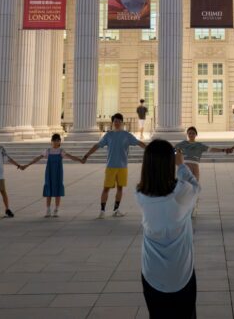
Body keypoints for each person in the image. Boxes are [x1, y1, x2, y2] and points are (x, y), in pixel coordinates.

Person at [135, 139, 200, 318]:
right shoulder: (181, 194)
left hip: (151, 272)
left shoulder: (140, 194)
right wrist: (181, 165)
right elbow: (195, 186)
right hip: (181, 272)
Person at [82, 112, 146, 218]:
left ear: (122, 123)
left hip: (122, 166)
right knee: (106, 188)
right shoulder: (108, 135)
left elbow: (139, 143)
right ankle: (102, 211)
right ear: (112, 123)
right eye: (115, 121)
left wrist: (150, 150)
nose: (117, 123)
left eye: (119, 121)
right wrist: (87, 155)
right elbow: (97, 145)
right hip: (111, 165)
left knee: (120, 188)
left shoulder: (127, 135)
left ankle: (116, 210)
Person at [20, 133, 84, 217]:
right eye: (54, 140)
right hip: (49, 173)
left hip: (58, 173)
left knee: (57, 190)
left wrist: (80, 160)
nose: (55, 142)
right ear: (51, 141)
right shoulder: (48, 151)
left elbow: (71, 157)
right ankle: (48, 209)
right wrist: (27, 165)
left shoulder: (61, 151)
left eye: (57, 140)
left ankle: (56, 209)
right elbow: (37, 158)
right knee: (48, 190)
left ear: (60, 141)